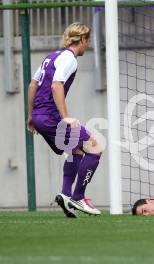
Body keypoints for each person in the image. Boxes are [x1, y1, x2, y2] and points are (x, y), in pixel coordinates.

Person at [27, 22, 102, 217]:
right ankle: (79, 197)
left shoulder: (51, 57)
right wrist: (65, 116)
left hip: (40, 117)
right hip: (52, 117)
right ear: (83, 40)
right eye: (88, 41)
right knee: (95, 148)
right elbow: (56, 86)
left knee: (75, 150)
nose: (88, 45)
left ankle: (66, 194)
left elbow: (32, 85)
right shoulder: (69, 59)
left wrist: (30, 115)